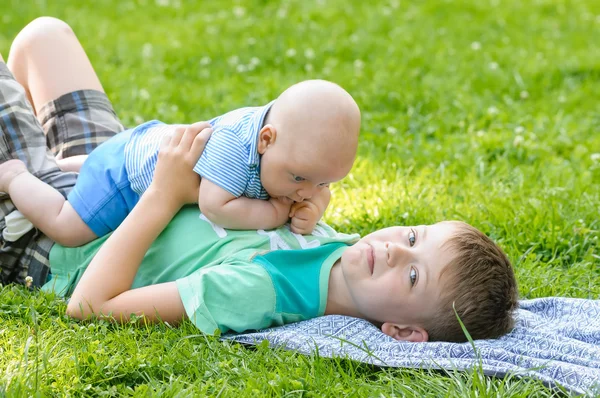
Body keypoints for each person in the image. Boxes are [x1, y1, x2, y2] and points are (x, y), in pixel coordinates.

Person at [0, 17, 518, 343]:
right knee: (45, 37)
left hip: (49, 238)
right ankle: (53, 156)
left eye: (412, 276)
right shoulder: (327, 240)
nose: (395, 252)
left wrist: (164, 194)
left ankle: (30, 166)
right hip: (113, 181)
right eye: (413, 238)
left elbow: (90, 307)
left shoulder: (264, 289)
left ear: (403, 331)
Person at [0, 56, 360, 248]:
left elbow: (314, 189)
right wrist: (272, 213)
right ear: (265, 140)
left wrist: (315, 206)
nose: (306, 192)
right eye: (300, 180)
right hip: (125, 177)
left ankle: (70, 164)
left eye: (324, 182)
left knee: (98, 158)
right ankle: (16, 177)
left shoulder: (295, 155)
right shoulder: (235, 147)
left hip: (145, 145)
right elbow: (215, 206)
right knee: (67, 227)